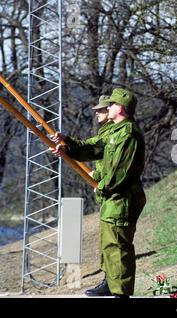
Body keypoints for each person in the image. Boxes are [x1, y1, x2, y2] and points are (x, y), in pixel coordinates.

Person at [51, 88, 146, 298]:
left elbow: (120, 172)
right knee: (108, 243)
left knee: (118, 246)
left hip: (122, 199)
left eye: (110, 104)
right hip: (112, 198)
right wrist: (68, 146)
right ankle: (110, 283)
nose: (107, 107)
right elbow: (93, 147)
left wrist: (101, 187)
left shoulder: (128, 134)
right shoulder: (114, 131)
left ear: (120, 108)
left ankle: (121, 293)